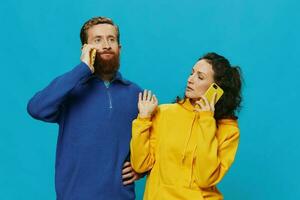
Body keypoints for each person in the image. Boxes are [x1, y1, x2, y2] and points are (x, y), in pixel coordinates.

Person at [27, 16, 142, 200]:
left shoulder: (136, 94)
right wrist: (82, 69)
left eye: (111, 39)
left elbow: (155, 141)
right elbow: (36, 108)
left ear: (119, 48)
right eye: (98, 40)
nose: (106, 45)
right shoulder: (70, 90)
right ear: (85, 49)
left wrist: (142, 168)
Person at [130, 52, 242, 200]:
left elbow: (205, 178)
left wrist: (206, 119)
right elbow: (140, 165)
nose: (190, 80)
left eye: (200, 77)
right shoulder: (164, 113)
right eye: (192, 73)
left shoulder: (229, 130)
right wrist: (143, 119)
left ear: (216, 88)